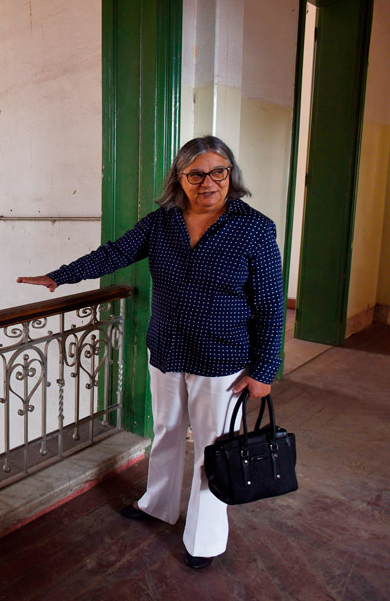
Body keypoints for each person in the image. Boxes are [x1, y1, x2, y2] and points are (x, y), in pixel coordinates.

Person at [17, 135, 285, 569]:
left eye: (218, 171)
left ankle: (204, 541)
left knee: (212, 450)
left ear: (230, 175)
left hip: (222, 359)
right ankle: (157, 505)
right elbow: (115, 253)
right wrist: (59, 277)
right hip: (168, 349)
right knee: (167, 431)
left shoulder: (254, 228)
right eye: (196, 173)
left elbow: (271, 303)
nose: (208, 182)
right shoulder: (161, 222)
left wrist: (265, 367)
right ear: (180, 178)